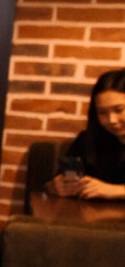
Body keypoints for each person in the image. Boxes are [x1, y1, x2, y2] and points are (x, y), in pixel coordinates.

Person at [46, 69, 125, 199]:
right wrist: (53, 187)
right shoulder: (87, 140)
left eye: (119, 110)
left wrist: (117, 190)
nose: (111, 120)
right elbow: (60, 179)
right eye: (102, 112)